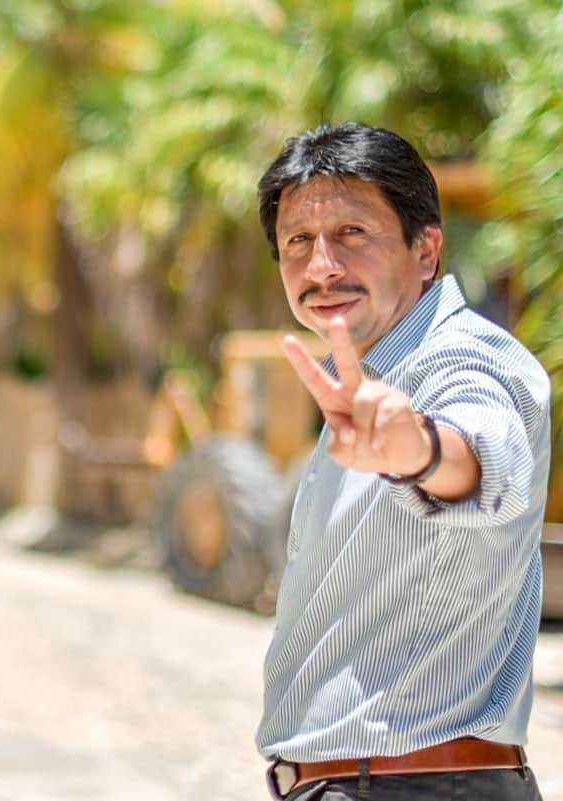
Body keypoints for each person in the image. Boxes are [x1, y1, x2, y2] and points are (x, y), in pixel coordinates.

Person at [254, 122, 551, 800]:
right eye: (298, 240)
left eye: (352, 233)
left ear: (426, 250)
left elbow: (487, 457)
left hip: (418, 785)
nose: (321, 266)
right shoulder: (363, 382)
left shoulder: (461, 358)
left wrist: (420, 452)